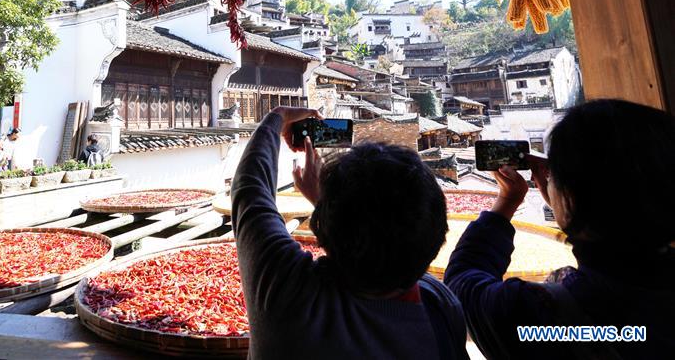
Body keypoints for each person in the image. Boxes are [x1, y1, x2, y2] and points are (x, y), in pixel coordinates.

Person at [231, 106, 468, 359]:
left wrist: (278, 116)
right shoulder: (441, 308)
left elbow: (250, 188)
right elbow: (384, 244)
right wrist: (326, 206)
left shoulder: (289, 299)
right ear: (437, 233)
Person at [445, 99, 675, 359]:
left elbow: (463, 285)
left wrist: (508, 200)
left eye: (554, 175)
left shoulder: (544, 317)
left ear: (572, 197)